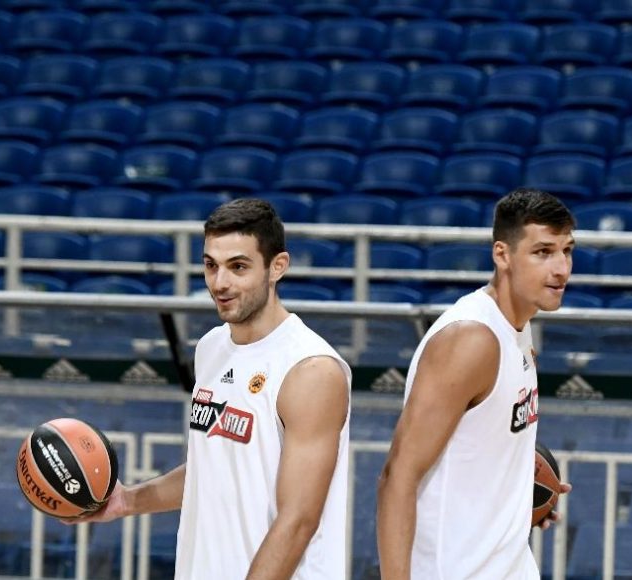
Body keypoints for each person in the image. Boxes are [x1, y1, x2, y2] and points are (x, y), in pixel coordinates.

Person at [73, 198, 352, 579]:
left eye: (238, 267)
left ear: (277, 267)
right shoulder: (211, 348)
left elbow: (298, 520)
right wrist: (127, 501)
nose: (220, 283)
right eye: (210, 265)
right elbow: (215, 469)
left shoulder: (311, 369)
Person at [377, 188, 574, 579]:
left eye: (567, 251)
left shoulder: (518, 329)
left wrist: (521, 495)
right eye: (543, 252)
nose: (561, 269)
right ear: (502, 255)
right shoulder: (471, 339)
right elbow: (397, 477)